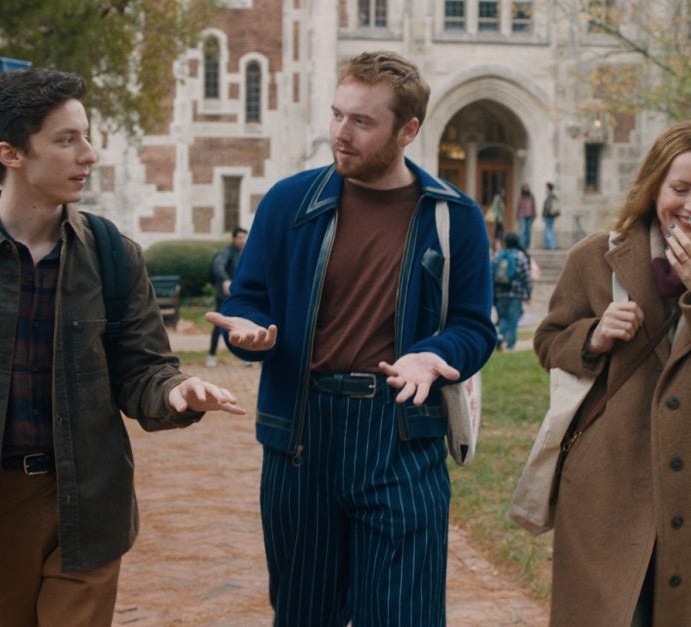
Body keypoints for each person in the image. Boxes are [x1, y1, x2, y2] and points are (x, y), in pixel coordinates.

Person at [0, 68, 244, 625]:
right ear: (11, 154)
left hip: (89, 499)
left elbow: (143, 369)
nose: (88, 155)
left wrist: (176, 392)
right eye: (67, 140)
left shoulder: (113, 257)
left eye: (86, 136)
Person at [206, 50, 495, 626]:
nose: (340, 133)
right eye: (338, 114)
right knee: (305, 615)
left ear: (408, 130)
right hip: (301, 438)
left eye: (362, 121)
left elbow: (474, 326)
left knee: (405, 615)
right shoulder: (289, 203)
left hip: (401, 434)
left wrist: (434, 355)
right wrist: (248, 332)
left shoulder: (453, 216)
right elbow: (246, 300)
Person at [532, 120, 691, 626]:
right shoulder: (595, 257)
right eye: (680, 188)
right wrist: (593, 336)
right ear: (654, 188)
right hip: (604, 486)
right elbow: (548, 341)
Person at [207, 227, 248, 367]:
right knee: (218, 325)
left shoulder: (243, 254)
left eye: (244, 237)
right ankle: (211, 356)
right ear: (233, 238)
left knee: (242, 324)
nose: (243, 240)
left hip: (237, 296)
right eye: (240, 237)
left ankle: (245, 357)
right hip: (224, 296)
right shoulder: (227, 252)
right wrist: (225, 280)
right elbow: (218, 266)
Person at [493, 232, 533, 351]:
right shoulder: (520, 256)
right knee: (513, 319)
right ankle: (510, 345)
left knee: (503, 317)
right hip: (516, 293)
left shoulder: (498, 255)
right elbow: (526, 276)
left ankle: (500, 336)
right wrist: (528, 292)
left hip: (500, 292)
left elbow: (491, 273)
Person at [515, 182, 536, 249]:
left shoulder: (531, 197)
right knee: (522, 231)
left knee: (528, 231)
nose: (526, 189)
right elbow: (518, 207)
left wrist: (534, 215)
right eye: (525, 188)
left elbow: (533, 207)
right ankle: (522, 245)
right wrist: (517, 216)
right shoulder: (520, 197)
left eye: (527, 188)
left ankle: (527, 245)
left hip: (529, 216)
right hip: (522, 216)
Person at [542, 181, 560, 250]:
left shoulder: (549, 196)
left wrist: (544, 214)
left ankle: (552, 245)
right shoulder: (553, 195)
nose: (545, 189)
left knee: (548, 230)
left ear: (548, 188)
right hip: (552, 215)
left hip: (549, 215)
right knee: (549, 229)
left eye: (546, 187)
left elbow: (548, 207)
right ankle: (547, 245)